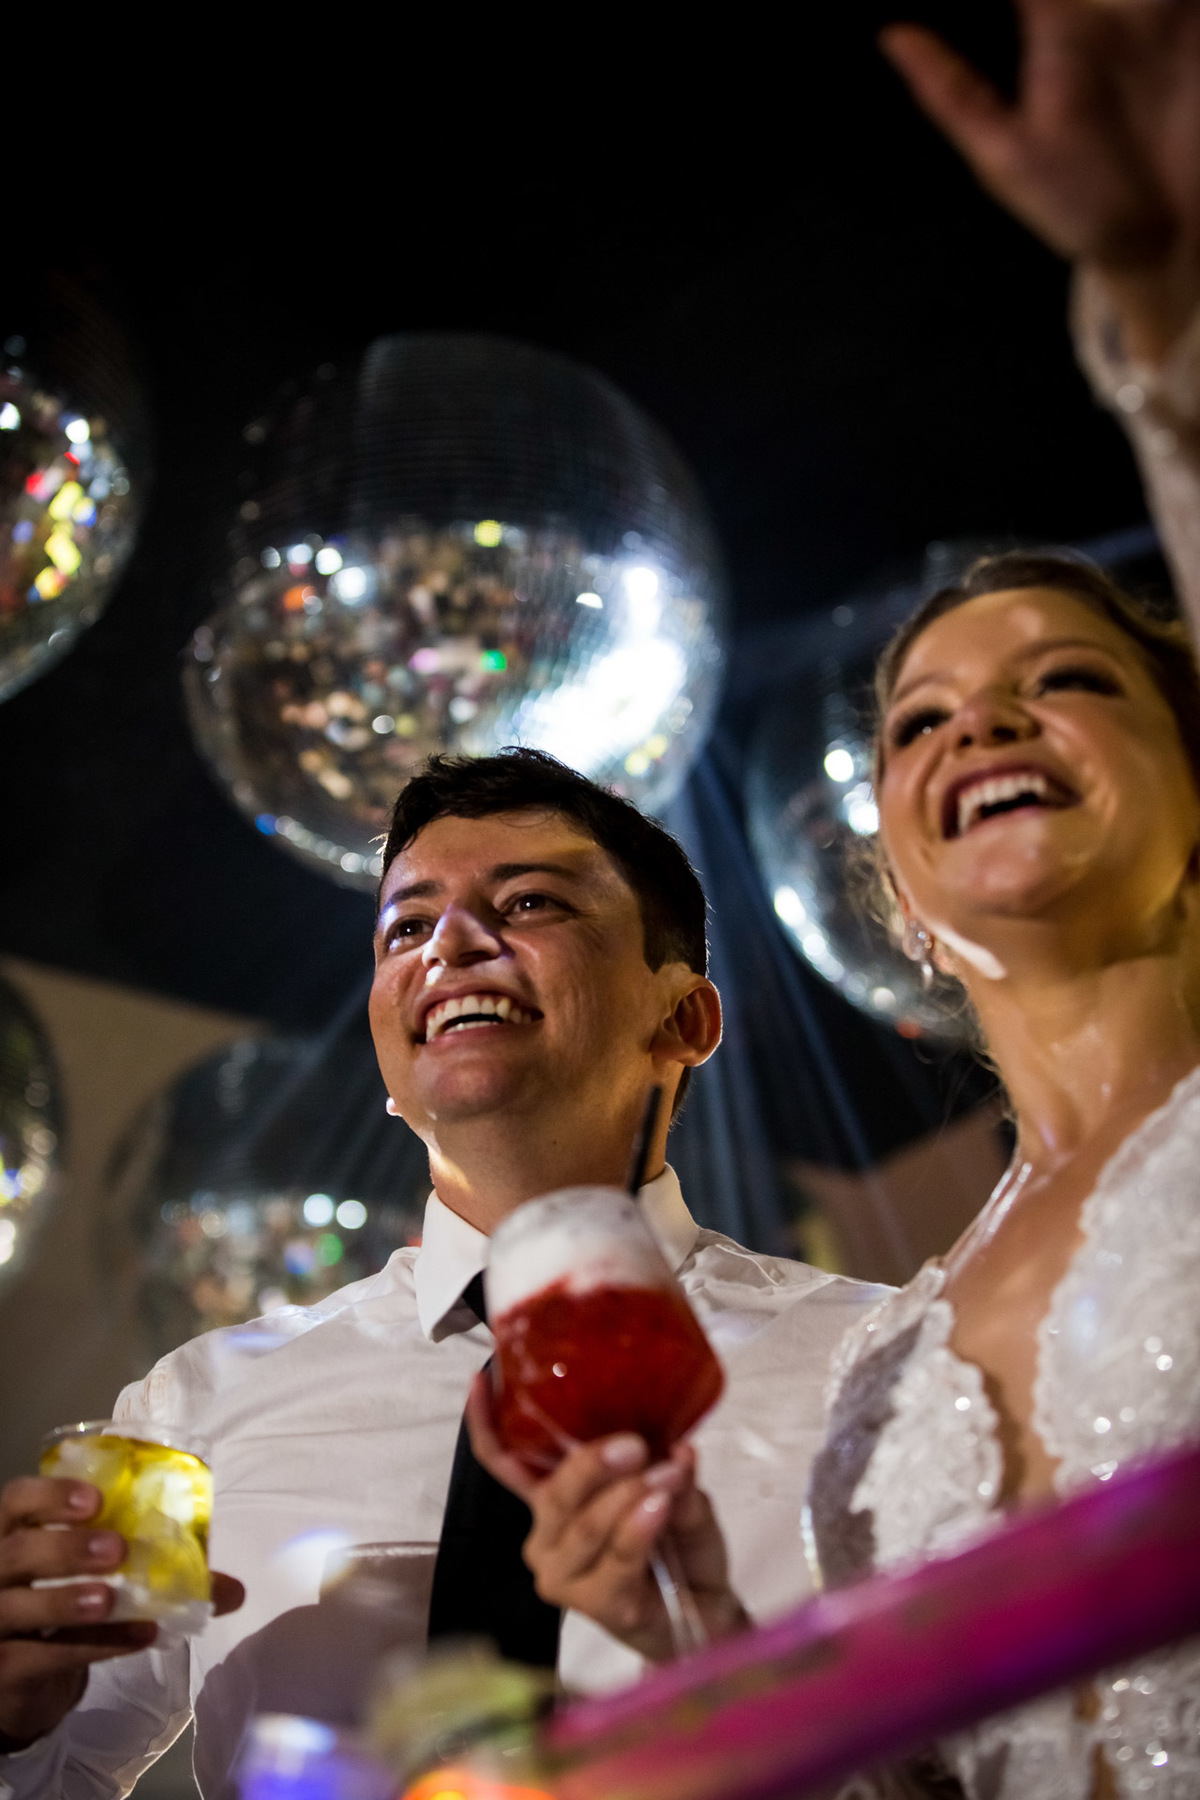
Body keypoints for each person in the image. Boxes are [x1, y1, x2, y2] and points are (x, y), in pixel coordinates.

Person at [465, 3, 1200, 1792]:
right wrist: (699, 1628)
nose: (987, 725)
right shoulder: (880, 1372)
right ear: (900, 883)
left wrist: (1167, 295)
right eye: (924, 720)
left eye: (1068, 679)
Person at [0, 751, 885, 1798]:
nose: (453, 944)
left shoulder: (879, 1361)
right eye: (406, 927)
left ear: (683, 1019)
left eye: (530, 903)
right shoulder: (195, 1409)